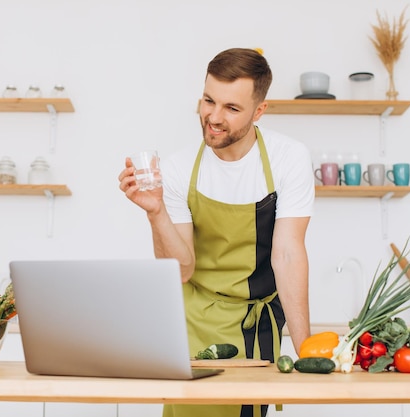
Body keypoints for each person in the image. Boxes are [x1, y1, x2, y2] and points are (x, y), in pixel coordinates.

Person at [118, 48, 314, 417]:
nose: (214, 117)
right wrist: (156, 212)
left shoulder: (289, 158)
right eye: (209, 100)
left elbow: (287, 254)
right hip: (194, 322)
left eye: (231, 108)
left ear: (259, 112)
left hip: (256, 324)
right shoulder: (176, 170)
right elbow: (182, 270)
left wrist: (307, 352)